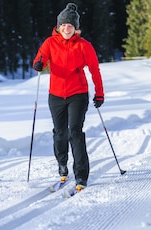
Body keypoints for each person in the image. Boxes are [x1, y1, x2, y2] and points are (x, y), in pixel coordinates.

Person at [32, 3, 104, 192]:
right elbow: (40, 60)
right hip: (55, 95)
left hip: (77, 94)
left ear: (75, 28)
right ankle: (62, 164)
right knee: (60, 133)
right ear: (58, 26)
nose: (66, 28)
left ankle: (81, 174)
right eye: (63, 25)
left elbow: (95, 70)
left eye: (70, 26)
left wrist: (100, 93)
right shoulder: (50, 43)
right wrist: (39, 64)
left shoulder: (83, 46)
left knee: (75, 132)